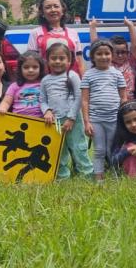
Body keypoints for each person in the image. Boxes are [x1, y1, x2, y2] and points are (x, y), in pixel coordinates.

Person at [40, 43, 93, 179]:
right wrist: (47, 111)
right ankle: (62, 176)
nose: (57, 61)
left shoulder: (72, 75)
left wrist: (71, 118)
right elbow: (42, 100)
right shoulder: (45, 80)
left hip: (73, 120)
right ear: (47, 60)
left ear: (69, 61)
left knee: (78, 147)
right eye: (54, 58)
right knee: (59, 149)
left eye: (62, 58)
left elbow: (79, 97)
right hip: (55, 122)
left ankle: (86, 174)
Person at [81, 40, 127, 182]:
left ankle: (115, 174)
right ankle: (99, 177)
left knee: (112, 149)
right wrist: (87, 122)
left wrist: (123, 118)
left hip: (114, 119)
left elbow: (123, 97)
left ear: (112, 55)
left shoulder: (117, 74)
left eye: (107, 53)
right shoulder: (88, 75)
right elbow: (85, 100)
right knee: (99, 150)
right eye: (99, 54)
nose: (103, 57)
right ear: (92, 57)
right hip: (96, 120)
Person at [27, 0, 85, 76]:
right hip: (46, 82)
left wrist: (84, 85)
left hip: (71, 82)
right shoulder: (35, 33)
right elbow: (32, 61)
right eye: (48, 7)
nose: (53, 10)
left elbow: (79, 61)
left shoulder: (73, 33)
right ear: (42, 13)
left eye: (56, 6)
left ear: (62, 11)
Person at [90, 18, 136, 101]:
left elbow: (135, 46)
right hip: (111, 101)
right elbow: (96, 47)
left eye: (123, 52)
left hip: (129, 101)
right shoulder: (108, 64)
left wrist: (130, 26)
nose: (120, 55)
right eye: (117, 52)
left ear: (127, 52)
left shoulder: (130, 62)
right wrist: (92, 28)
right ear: (111, 53)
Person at [0, 51, 45, 118]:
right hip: (18, 121)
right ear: (20, 69)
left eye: (35, 67)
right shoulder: (14, 86)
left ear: (41, 69)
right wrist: (2, 108)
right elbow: (6, 102)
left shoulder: (44, 85)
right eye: (26, 67)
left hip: (40, 121)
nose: (30, 70)